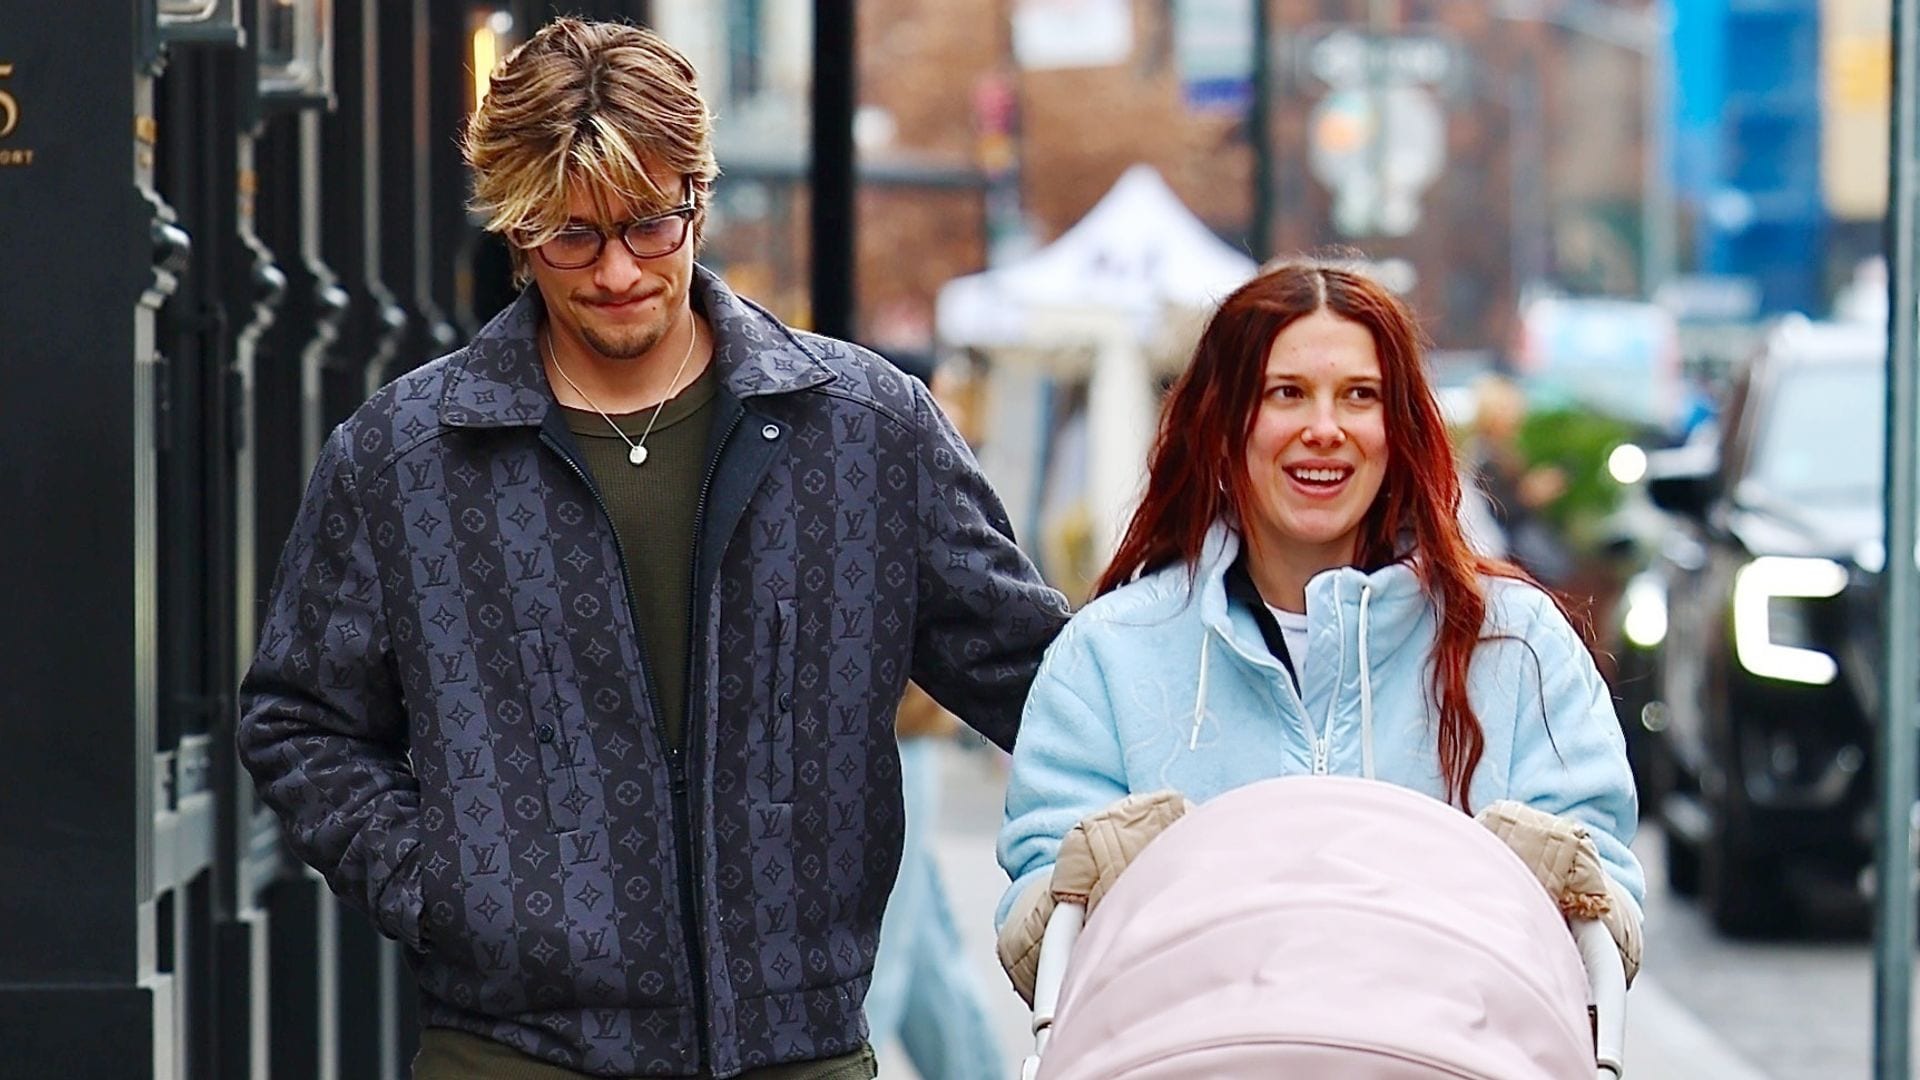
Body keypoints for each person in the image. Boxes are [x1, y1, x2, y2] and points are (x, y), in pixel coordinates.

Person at [237, 18, 1067, 1080]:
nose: (618, 270)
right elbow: (301, 719)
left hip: (797, 1048)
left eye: (649, 226)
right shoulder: (405, 456)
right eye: (570, 235)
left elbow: (1040, 678)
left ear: (699, 199)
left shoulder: (864, 429)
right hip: (511, 1051)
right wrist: (447, 886)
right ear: (514, 228)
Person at [993, 256, 1643, 1002]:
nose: (1325, 429)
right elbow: (1037, 927)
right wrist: (1101, 884)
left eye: (1359, 396)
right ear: (1223, 424)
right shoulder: (1107, 657)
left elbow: (1610, 908)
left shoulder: (1519, 645)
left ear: (1398, 428)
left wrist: (1546, 886)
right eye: (1287, 394)